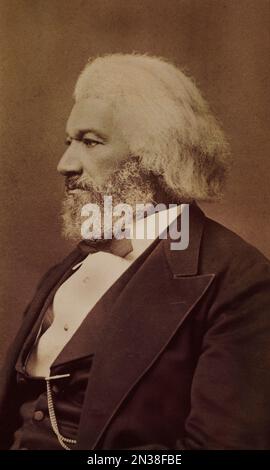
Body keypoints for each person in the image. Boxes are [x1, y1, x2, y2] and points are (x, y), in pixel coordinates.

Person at [0, 53, 270, 450]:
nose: (64, 164)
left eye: (91, 142)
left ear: (155, 158)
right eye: (68, 142)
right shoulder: (71, 265)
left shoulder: (239, 281)